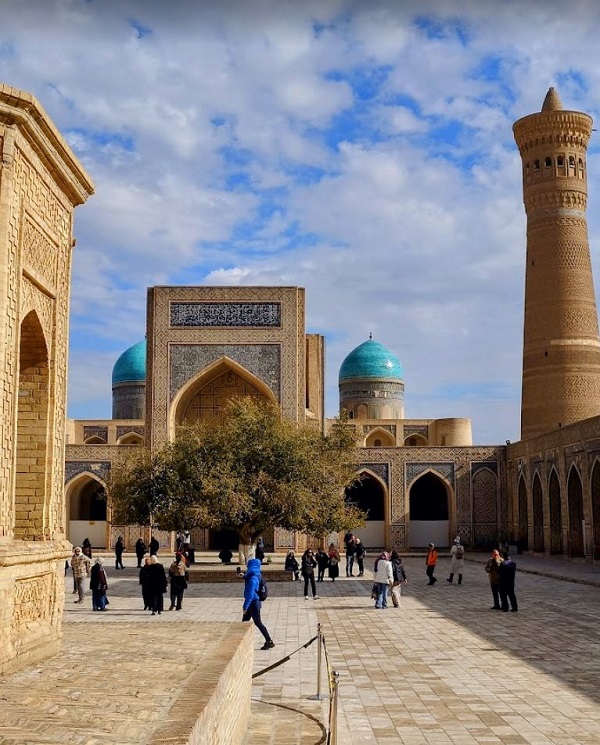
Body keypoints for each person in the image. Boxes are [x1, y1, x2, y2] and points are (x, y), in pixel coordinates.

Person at [242, 558, 274, 650]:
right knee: (244, 622)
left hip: (253, 603)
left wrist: (245, 606)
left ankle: (269, 641)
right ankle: (244, 641)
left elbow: (250, 594)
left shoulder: (252, 579)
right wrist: (243, 576)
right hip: (255, 602)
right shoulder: (257, 574)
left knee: (258, 622)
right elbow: (249, 575)